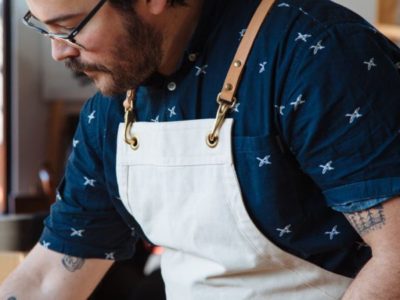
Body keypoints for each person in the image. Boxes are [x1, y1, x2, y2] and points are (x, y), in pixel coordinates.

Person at [1, 0, 400, 299]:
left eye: (70, 28)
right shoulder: (112, 107)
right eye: (45, 30)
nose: (59, 52)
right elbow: (52, 272)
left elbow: (396, 258)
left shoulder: (314, 56)